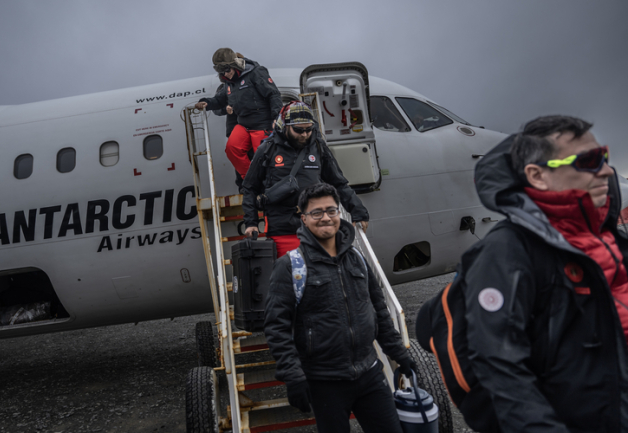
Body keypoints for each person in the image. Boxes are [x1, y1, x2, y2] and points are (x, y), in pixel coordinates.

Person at [448, 115, 628, 431]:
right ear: (538, 176)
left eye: (604, 157)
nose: (606, 170)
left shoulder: (612, 238)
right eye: (588, 161)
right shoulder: (507, 251)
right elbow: (498, 365)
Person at [264, 183, 415, 433]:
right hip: (324, 382)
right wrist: (292, 374)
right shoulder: (290, 266)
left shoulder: (357, 259)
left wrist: (400, 354)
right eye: (317, 212)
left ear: (339, 214)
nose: (325, 217)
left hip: (369, 374)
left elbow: (379, 312)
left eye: (331, 210)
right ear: (303, 218)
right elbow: (276, 326)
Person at [242, 101, 369, 257]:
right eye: (298, 130)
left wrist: (358, 211)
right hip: (282, 229)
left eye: (309, 130)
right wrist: (251, 223)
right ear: (285, 125)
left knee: (323, 274)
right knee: (292, 274)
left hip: (317, 226)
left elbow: (339, 183)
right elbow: (249, 187)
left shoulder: (319, 147)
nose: (304, 134)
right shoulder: (268, 149)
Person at [194, 48, 282, 179]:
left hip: (262, 123)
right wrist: (206, 102)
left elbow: (273, 94)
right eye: (222, 72)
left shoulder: (256, 73)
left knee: (263, 156)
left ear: (235, 65)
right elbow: (219, 100)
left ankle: (268, 182)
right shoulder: (229, 83)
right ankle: (250, 179)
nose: (226, 74)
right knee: (232, 148)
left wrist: (276, 117)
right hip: (244, 124)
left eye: (228, 70)